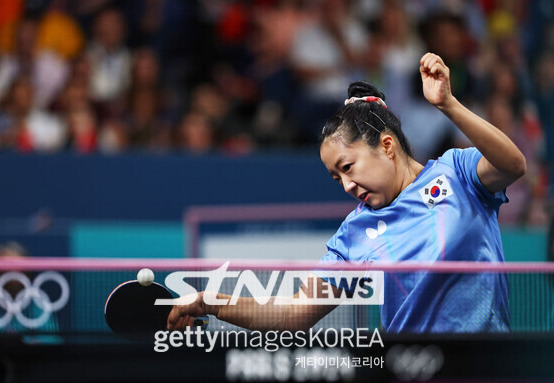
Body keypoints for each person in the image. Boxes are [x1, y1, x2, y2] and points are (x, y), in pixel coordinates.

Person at [167, 52, 526, 333]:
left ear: (387, 146)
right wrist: (210, 300)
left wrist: (448, 104)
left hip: (487, 362)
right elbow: (294, 312)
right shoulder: (354, 235)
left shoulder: (457, 173)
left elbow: (513, 165)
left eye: (348, 167)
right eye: (337, 178)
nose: (348, 185)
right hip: (416, 368)